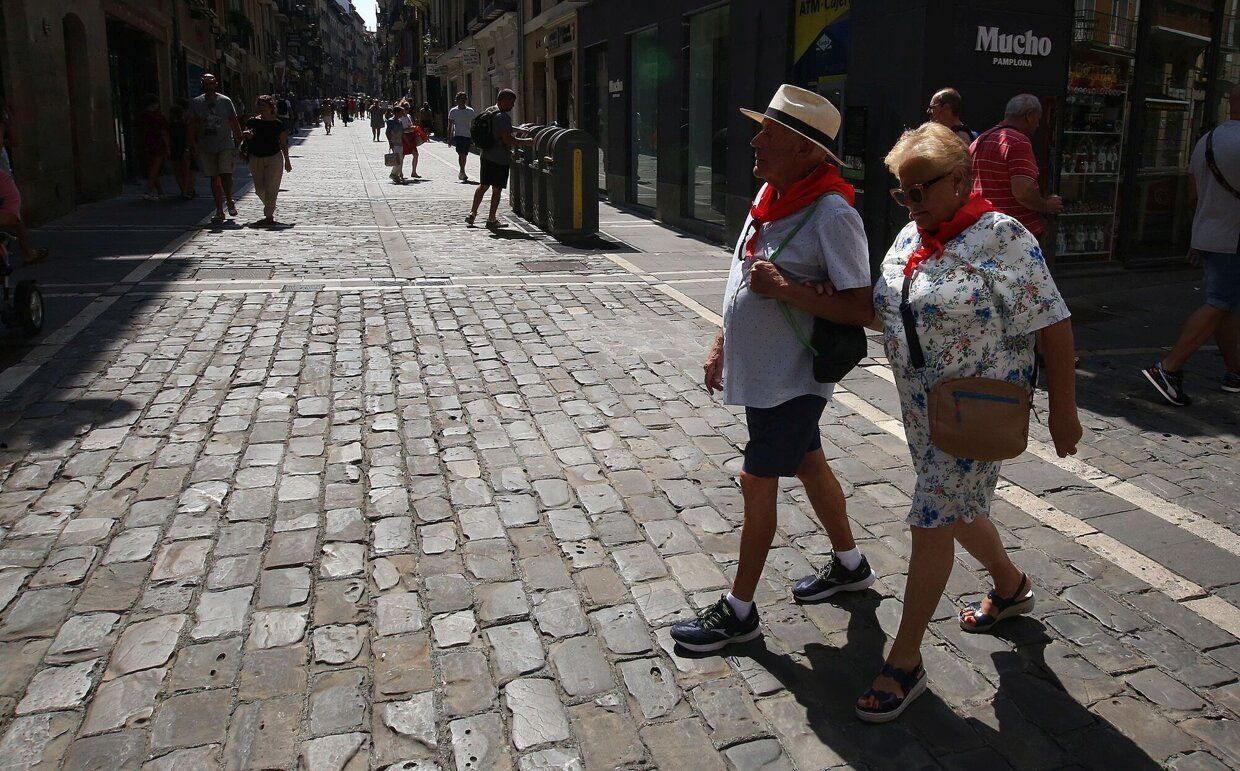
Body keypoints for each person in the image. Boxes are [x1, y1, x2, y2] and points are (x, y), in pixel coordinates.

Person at [856, 122, 1080, 722]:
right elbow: (882, 310)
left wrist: (1063, 409)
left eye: (919, 189)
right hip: (923, 411)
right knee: (958, 507)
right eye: (902, 192)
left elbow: (1052, 323)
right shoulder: (910, 235)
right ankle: (1010, 588)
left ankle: (904, 661)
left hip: (977, 408)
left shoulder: (1002, 237)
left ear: (960, 179)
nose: (910, 202)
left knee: (933, 515)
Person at [669, 85, 876, 653]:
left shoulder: (832, 214)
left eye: (771, 134)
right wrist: (722, 340)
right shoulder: (770, 194)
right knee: (810, 462)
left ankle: (739, 613)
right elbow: (742, 278)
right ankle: (851, 566)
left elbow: (866, 310)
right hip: (764, 372)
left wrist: (786, 287)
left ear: (809, 151)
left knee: (756, 480)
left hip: (794, 379)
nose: (755, 140)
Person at [1143, 85, 1240, 405]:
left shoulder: (1207, 140)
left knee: (1223, 306)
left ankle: (1234, 370)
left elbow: (1193, 193)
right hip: (1232, 237)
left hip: (1208, 233)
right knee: (1219, 303)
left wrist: (1195, 235)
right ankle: (1168, 368)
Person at [970, 94, 1063, 243]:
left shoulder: (979, 141)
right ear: (1029, 116)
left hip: (983, 230)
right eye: (1038, 119)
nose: (1038, 126)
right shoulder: (1019, 141)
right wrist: (1046, 206)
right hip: (1015, 235)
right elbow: (1023, 192)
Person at [466, 89, 533, 228]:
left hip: (485, 155)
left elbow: (501, 128)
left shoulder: (490, 111)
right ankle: (491, 219)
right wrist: (527, 142)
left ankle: (472, 213)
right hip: (499, 158)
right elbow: (508, 139)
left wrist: (519, 130)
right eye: (511, 102)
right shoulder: (503, 117)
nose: (513, 106)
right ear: (504, 100)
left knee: (483, 185)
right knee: (496, 190)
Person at [188, 73, 243, 224]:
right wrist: (192, 143)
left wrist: (241, 142)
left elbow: (233, 121)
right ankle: (219, 209)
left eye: (211, 83)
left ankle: (230, 200)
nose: (209, 86)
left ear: (216, 84)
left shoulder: (225, 101)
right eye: (206, 83)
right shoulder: (196, 103)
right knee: (214, 178)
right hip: (206, 145)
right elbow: (192, 124)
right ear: (202, 85)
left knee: (226, 174)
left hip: (225, 143)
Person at [242, 95, 292, 226]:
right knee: (259, 189)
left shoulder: (277, 124)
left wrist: (287, 160)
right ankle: (270, 205)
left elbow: (283, 143)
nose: (261, 108)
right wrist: (248, 135)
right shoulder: (252, 121)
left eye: (264, 105)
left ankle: (268, 215)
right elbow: (247, 134)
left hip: (274, 157)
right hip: (256, 157)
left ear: (271, 107)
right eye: (259, 105)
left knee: (272, 187)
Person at [0, 169, 47, 265]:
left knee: (17, 225)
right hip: (8, 206)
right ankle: (28, 254)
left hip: (8, 206)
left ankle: (28, 254)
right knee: (18, 225)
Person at [138, 96, 171, 201]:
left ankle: (160, 191)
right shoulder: (159, 118)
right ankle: (149, 191)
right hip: (158, 144)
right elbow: (164, 132)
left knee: (152, 167)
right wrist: (168, 147)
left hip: (146, 143)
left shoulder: (143, 116)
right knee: (155, 168)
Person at [167, 100, 194, 199]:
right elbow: (189, 137)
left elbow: (168, 138)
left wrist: (168, 149)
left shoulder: (169, 126)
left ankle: (183, 190)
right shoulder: (185, 125)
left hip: (175, 149)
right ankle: (185, 191)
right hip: (184, 149)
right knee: (186, 171)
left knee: (178, 172)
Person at [447, 92, 476, 181]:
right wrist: (449, 138)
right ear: (457, 100)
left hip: (467, 135)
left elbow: (474, 125)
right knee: (461, 154)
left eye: (464, 99)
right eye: (461, 99)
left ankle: (462, 170)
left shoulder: (470, 111)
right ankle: (462, 171)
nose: (462, 101)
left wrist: (474, 137)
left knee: (465, 154)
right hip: (458, 135)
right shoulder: (453, 111)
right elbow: (450, 125)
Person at [386, 105, 409, 183]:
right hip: (394, 142)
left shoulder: (400, 121)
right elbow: (387, 132)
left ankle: (396, 175)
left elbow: (402, 132)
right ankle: (393, 174)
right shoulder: (391, 121)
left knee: (400, 160)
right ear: (397, 112)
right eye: (401, 111)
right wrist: (390, 142)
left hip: (400, 142)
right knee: (397, 159)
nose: (403, 113)